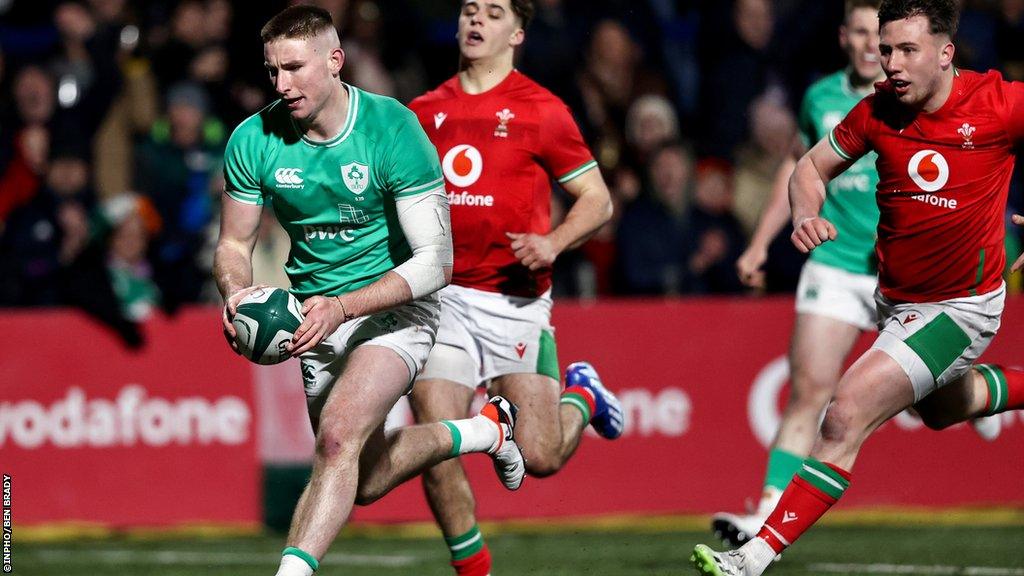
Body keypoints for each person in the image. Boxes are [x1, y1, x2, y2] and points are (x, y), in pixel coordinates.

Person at [691, 1, 1024, 574]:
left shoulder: (999, 103)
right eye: (886, 49)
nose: (889, 62)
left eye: (906, 50)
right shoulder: (876, 112)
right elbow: (809, 169)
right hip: (894, 301)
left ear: (946, 55)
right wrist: (803, 216)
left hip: (962, 306)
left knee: (843, 413)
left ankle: (752, 557)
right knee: (942, 411)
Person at [213, 8, 526, 576]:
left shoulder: (393, 129)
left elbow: (437, 262)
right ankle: (485, 430)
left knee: (336, 440)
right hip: (313, 313)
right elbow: (234, 245)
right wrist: (235, 295)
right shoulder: (252, 139)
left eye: (294, 68)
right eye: (272, 71)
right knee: (366, 476)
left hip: (396, 305)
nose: (282, 85)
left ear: (335, 61)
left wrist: (344, 306)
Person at [406, 2, 621, 574]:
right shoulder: (421, 113)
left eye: (494, 12)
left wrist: (553, 243)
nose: (477, 20)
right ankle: (474, 570)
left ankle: (584, 397)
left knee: (541, 458)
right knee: (435, 439)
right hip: (440, 298)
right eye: (470, 10)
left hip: (514, 301)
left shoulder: (542, 111)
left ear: (517, 33)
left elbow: (598, 200)